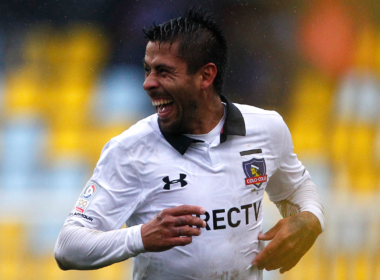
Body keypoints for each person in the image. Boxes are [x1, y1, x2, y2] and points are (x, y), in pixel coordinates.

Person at [54, 8, 324, 280]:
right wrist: (141, 237)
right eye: (147, 70)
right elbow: (68, 246)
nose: (148, 84)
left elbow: (297, 189)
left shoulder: (266, 129)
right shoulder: (130, 150)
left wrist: (311, 219)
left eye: (164, 72)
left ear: (206, 76)